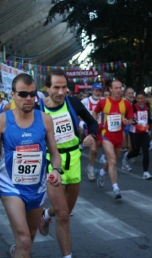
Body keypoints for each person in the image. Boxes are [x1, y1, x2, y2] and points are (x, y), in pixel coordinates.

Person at [0, 73, 62, 257]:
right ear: (13, 95)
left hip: (37, 185)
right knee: (25, 239)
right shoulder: (1, 121)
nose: (29, 98)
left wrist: (56, 170)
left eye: (32, 94)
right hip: (10, 185)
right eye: (23, 94)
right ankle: (21, 247)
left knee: (30, 236)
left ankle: (19, 250)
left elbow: (55, 154)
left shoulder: (45, 119)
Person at [37, 69, 98, 258]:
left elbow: (92, 122)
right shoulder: (39, 108)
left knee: (65, 210)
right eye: (56, 87)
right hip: (51, 162)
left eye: (64, 87)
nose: (61, 92)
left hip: (74, 161)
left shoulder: (73, 103)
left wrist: (91, 135)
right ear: (47, 88)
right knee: (63, 216)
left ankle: (46, 214)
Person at [93, 79, 133, 198]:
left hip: (119, 136)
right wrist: (95, 123)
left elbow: (131, 120)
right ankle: (116, 188)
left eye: (120, 88)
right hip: (106, 136)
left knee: (112, 160)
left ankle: (101, 173)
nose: (118, 90)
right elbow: (94, 113)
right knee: (113, 160)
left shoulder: (126, 104)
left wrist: (127, 121)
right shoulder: (103, 102)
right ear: (110, 89)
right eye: (116, 88)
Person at [122, 91, 152, 179]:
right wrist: (137, 122)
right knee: (135, 152)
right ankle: (126, 157)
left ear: (144, 98)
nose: (140, 100)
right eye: (138, 98)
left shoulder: (147, 107)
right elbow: (128, 119)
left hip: (144, 132)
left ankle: (146, 172)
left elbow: (148, 119)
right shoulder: (133, 107)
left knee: (146, 151)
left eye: (142, 98)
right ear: (136, 99)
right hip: (134, 132)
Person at [81, 83, 104, 181]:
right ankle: (90, 168)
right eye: (96, 90)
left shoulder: (103, 101)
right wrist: (82, 121)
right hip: (90, 128)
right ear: (92, 91)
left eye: (99, 91)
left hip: (100, 128)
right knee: (93, 149)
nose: (97, 93)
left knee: (96, 151)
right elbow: (79, 112)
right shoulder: (85, 101)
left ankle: (90, 166)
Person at [122, 86, 135, 152]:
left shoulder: (135, 102)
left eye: (132, 93)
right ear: (125, 94)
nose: (131, 95)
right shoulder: (122, 102)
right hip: (123, 125)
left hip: (132, 124)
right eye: (129, 93)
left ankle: (128, 158)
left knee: (131, 143)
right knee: (124, 145)